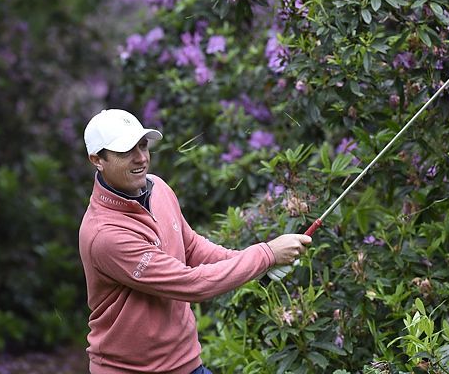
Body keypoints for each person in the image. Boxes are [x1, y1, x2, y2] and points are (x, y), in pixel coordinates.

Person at [78, 109, 312, 374]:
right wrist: (266, 255)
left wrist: (258, 262)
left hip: (186, 363)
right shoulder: (105, 235)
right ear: (97, 160)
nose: (141, 158)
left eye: (143, 145)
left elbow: (192, 247)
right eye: (125, 151)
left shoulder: (158, 188)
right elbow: (192, 284)